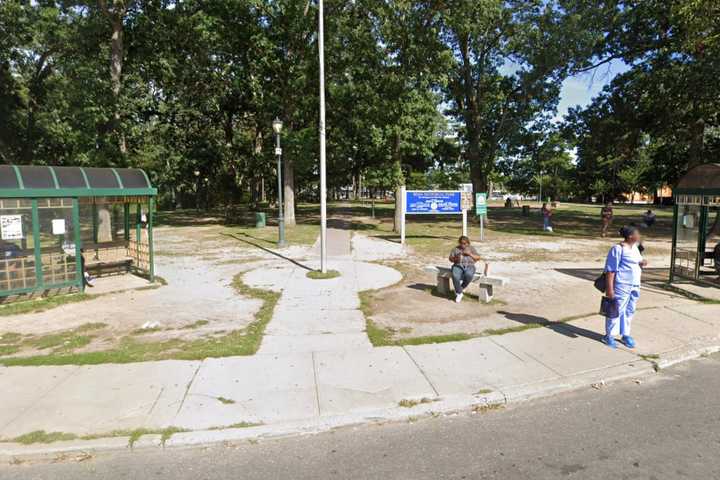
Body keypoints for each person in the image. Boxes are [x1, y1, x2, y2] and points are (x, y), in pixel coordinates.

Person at [603, 225, 647, 349]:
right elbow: (611, 270)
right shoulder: (617, 249)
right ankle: (609, 335)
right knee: (616, 310)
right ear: (630, 236)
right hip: (622, 285)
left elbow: (637, 262)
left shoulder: (635, 249)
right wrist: (610, 289)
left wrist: (642, 263)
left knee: (630, 310)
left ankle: (625, 334)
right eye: (637, 234)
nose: (639, 236)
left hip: (635, 284)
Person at [448, 236, 486, 303]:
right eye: (461, 243)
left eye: (465, 243)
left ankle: (460, 289)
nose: (463, 245)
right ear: (459, 243)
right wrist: (457, 257)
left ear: (468, 243)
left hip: (470, 266)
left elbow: (478, 257)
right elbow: (450, 259)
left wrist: (470, 254)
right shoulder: (455, 249)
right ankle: (459, 293)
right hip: (458, 265)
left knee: (469, 275)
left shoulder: (471, 248)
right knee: (455, 276)